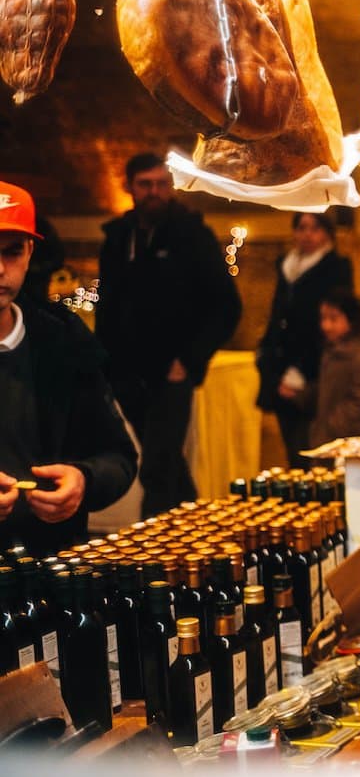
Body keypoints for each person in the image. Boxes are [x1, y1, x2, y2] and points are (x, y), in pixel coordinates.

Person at [95, 153, 241, 516]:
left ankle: (152, 562)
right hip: (127, 374)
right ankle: (198, 533)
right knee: (168, 464)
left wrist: (190, 360)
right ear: (130, 187)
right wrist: (104, 365)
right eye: (146, 185)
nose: (155, 192)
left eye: (161, 184)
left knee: (157, 466)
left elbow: (226, 306)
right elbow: (108, 306)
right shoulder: (117, 238)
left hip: (171, 373)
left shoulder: (192, 235)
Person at [0, 181, 137, 556]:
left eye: (11, 252)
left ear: (30, 251)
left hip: (56, 568)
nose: (0, 269)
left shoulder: (62, 339)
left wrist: (83, 480)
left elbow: (119, 457)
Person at [255, 211, 353, 467]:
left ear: (327, 233)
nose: (307, 235)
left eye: (315, 228)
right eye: (301, 228)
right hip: (280, 367)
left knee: (310, 450)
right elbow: (278, 316)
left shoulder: (335, 269)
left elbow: (331, 326)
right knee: (291, 448)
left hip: (312, 372)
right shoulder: (287, 267)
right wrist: (265, 354)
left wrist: (301, 371)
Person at [308, 286, 360, 448]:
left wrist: (332, 425)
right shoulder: (330, 352)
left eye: (334, 319)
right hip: (326, 441)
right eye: (323, 318)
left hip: (346, 445)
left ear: (351, 320)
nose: (326, 326)